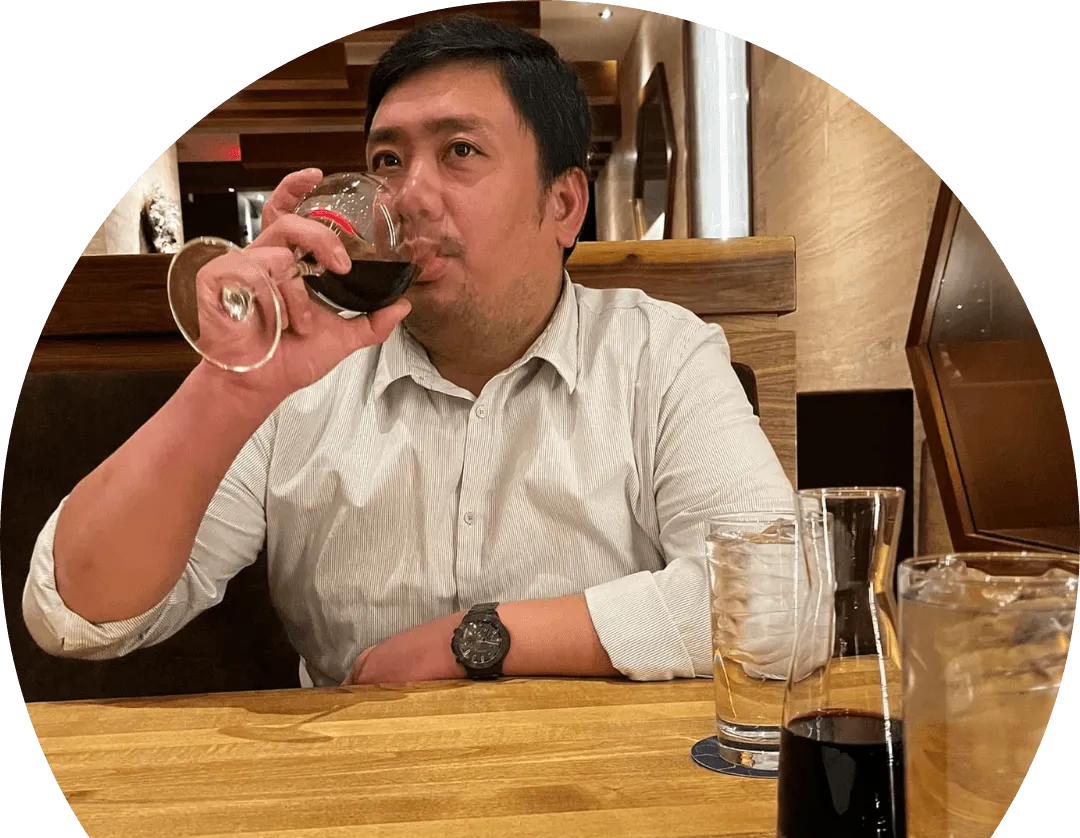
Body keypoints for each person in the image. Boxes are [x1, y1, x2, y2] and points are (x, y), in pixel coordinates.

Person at [23, 13, 793, 688]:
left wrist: (478, 641)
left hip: (596, 780)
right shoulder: (302, 378)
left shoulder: (659, 356)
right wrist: (235, 382)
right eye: (388, 160)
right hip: (353, 778)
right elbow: (75, 617)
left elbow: (780, 596)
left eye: (460, 151)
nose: (410, 194)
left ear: (562, 204)